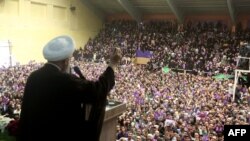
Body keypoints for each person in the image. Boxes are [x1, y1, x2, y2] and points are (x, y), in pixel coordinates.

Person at [17, 35, 122, 141]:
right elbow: (98, 91)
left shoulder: (33, 77)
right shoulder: (66, 80)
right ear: (66, 61)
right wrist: (112, 65)